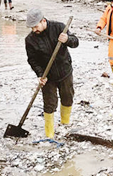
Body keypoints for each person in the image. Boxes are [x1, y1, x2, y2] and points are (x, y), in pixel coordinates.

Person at [25, 9, 79, 138]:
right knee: (49, 103)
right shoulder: (30, 40)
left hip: (65, 71)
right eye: (32, 27)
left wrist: (67, 39)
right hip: (47, 75)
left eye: (36, 26)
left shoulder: (59, 27)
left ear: (43, 21)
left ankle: (65, 124)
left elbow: (75, 42)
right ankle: (49, 133)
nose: (34, 30)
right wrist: (40, 74)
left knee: (67, 97)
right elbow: (32, 60)